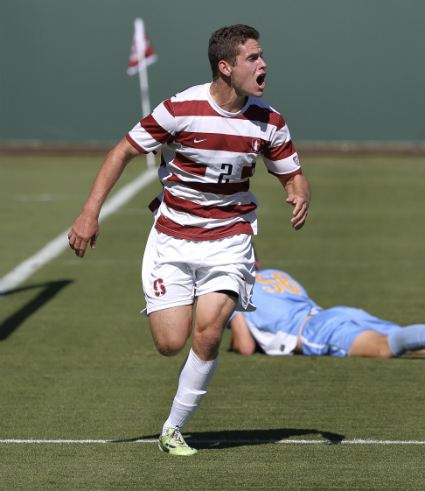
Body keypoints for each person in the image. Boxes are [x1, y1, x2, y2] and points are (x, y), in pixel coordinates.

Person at [68, 24, 311, 456]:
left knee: (209, 331)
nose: (263, 63)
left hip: (231, 239)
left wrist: (298, 194)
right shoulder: (180, 108)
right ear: (225, 67)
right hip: (173, 237)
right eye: (253, 57)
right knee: (170, 343)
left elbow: (293, 175)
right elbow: (122, 152)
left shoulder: (268, 120)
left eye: (261, 55)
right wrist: (89, 213)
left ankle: (172, 429)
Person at [229, 257, 425, 358]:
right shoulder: (275, 274)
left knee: (387, 346)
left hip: (316, 331)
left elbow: (245, 347)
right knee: (407, 340)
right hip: (336, 313)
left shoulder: (237, 290)